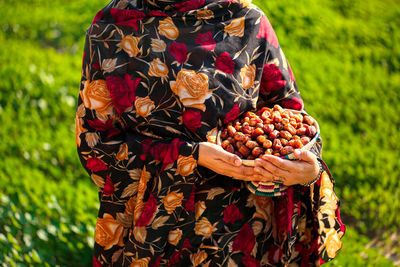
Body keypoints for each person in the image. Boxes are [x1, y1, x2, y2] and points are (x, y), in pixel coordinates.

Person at [75, 0, 345, 265]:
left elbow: (291, 119)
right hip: (153, 237)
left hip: (241, 232)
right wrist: (190, 156)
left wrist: (307, 169)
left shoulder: (245, 20)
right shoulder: (112, 28)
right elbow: (94, 145)